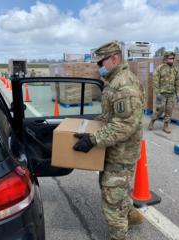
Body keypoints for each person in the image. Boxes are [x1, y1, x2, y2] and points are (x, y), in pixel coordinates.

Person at [73, 41, 144, 240]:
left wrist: (93, 139)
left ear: (114, 57)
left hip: (121, 154)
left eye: (101, 62)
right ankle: (132, 215)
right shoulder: (114, 81)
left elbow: (124, 125)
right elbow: (111, 117)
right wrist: (91, 127)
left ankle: (119, 235)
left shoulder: (124, 85)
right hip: (113, 150)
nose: (99, 67)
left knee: (112, 202)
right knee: (115, 191)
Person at [148, 51, 179, 133]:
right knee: (160, 109)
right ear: (165, 59)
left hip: (171, 94)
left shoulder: (175, 70)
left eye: (173, 58)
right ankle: (152, 122)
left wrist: (177, 94)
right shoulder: (160, 68)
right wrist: (157, 92)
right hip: (162, 94)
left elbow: (177, 82)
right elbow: (155, 81)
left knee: (169, 110)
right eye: (170, 58)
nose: (172, 60)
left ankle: (165, 126)